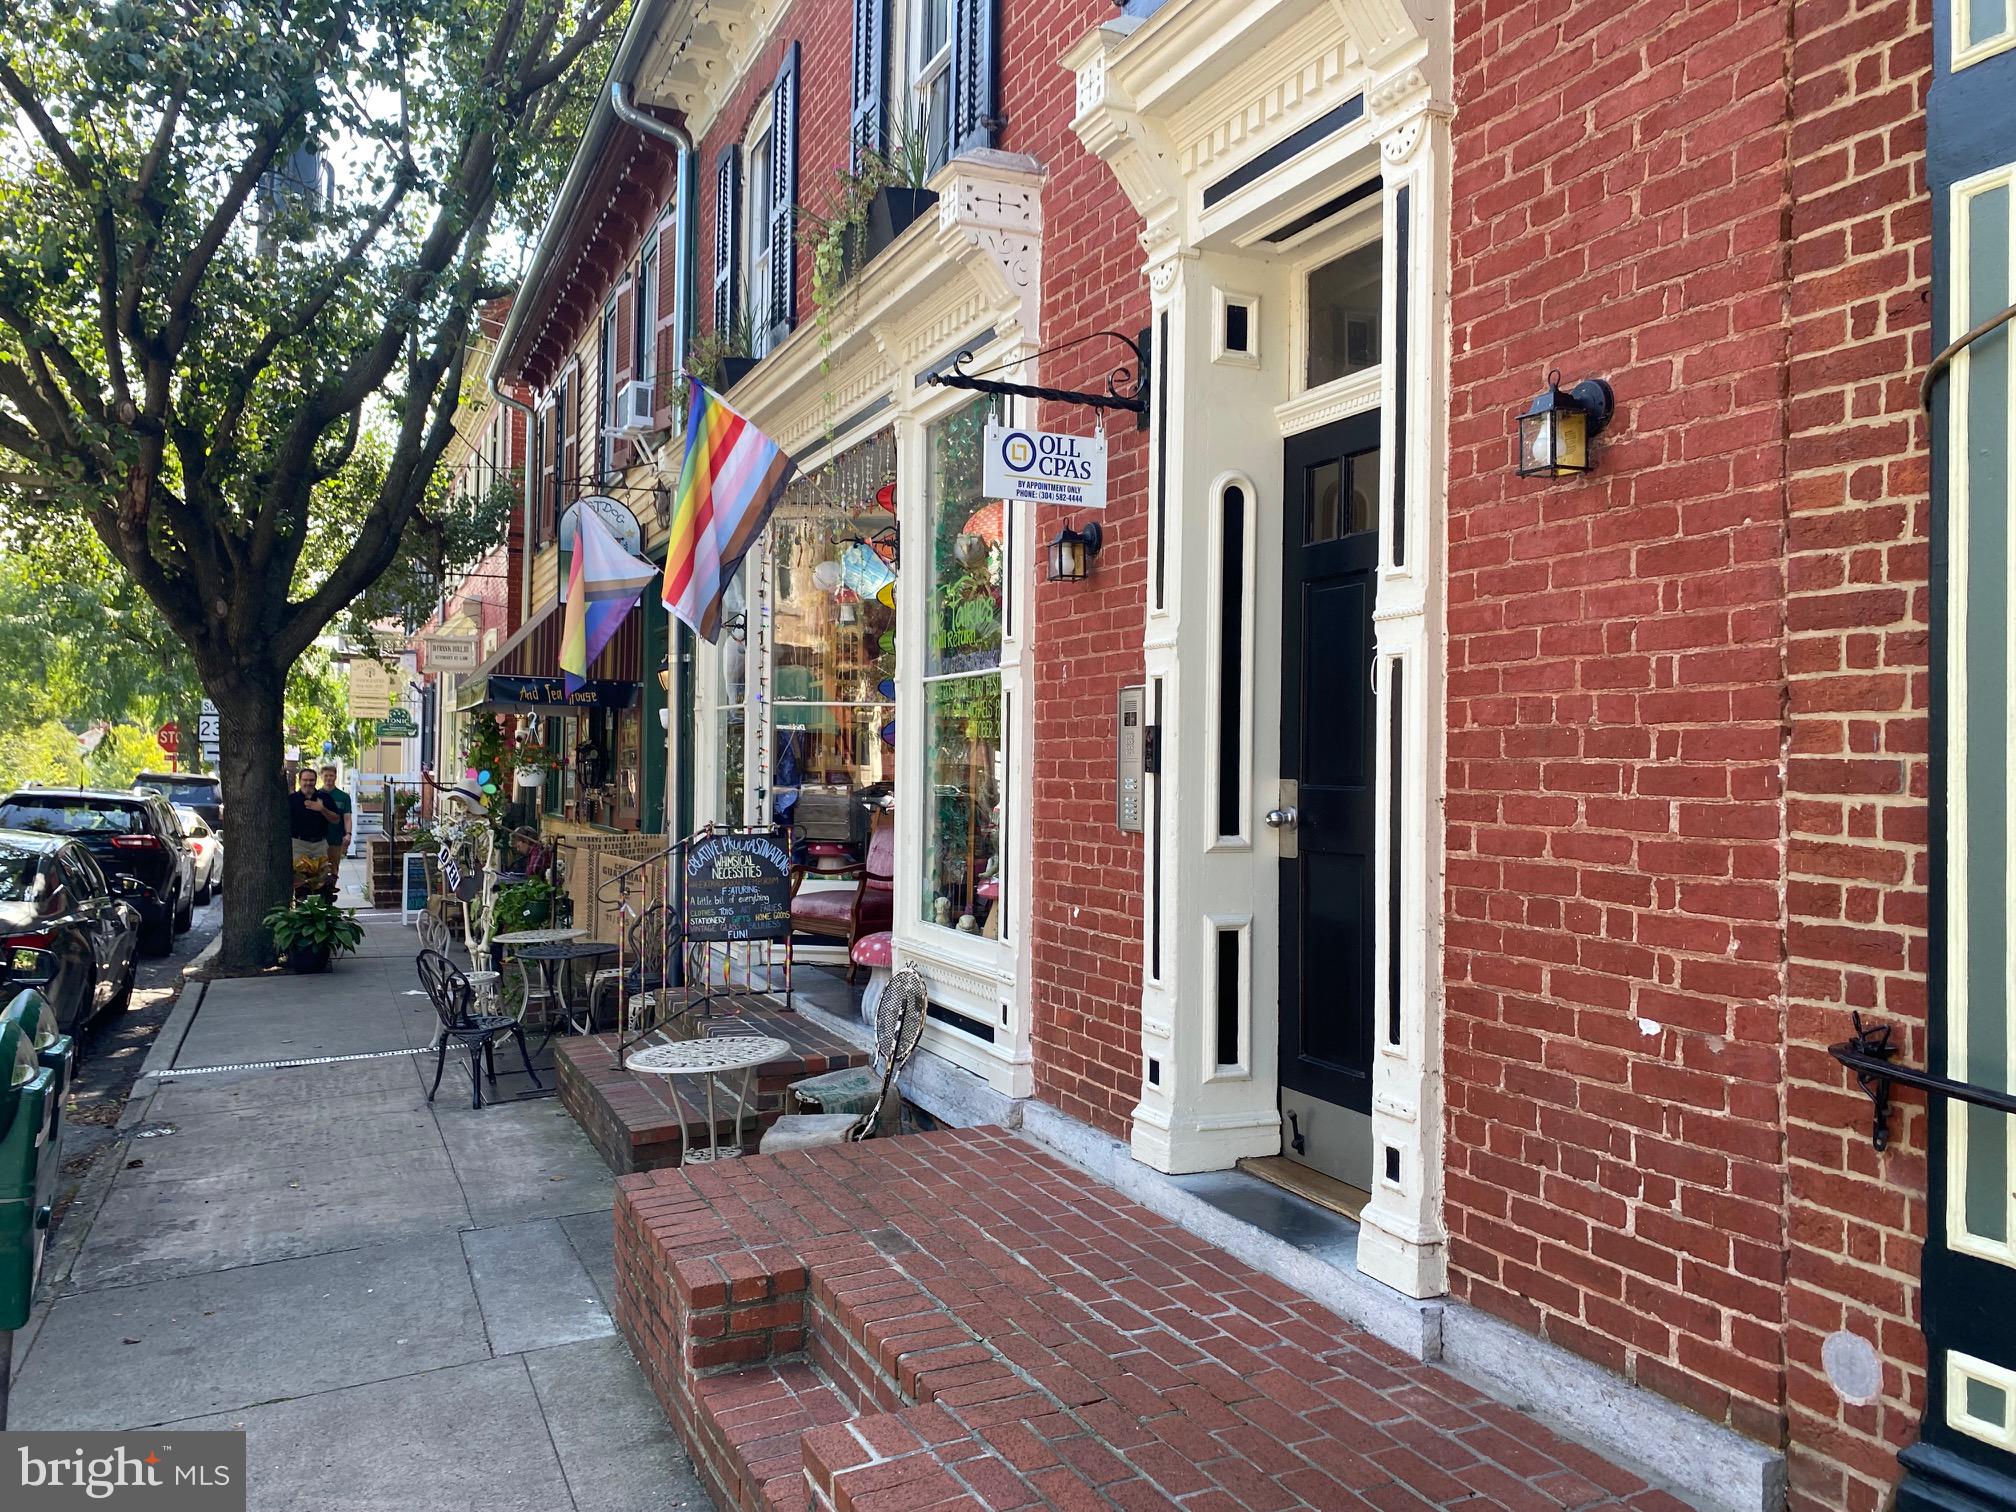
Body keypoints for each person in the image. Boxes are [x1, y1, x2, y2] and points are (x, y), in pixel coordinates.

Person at [288, 767, 334, 879]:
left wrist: (322, 809)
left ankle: (320, 897)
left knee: (321, 879)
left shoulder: (324, 797)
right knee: (300, 880)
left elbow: (336, 819)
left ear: (315, 781)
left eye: (311, 780)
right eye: (305, 780)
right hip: (299, 845)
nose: (308, 783)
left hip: (319, 845)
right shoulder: (291, 800)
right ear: (300, 781)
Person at [319, 765, 352, 875]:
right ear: (321, 777)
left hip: (336, 839)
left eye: (331, 775)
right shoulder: (316, 795)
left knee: (333, 869)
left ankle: (330, 891)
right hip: (319, 839)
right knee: (319, 870)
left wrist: (348, 834)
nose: (328, 778)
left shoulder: (343, 797)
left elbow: (347, 817)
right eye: (326, 775)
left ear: (335, 777)